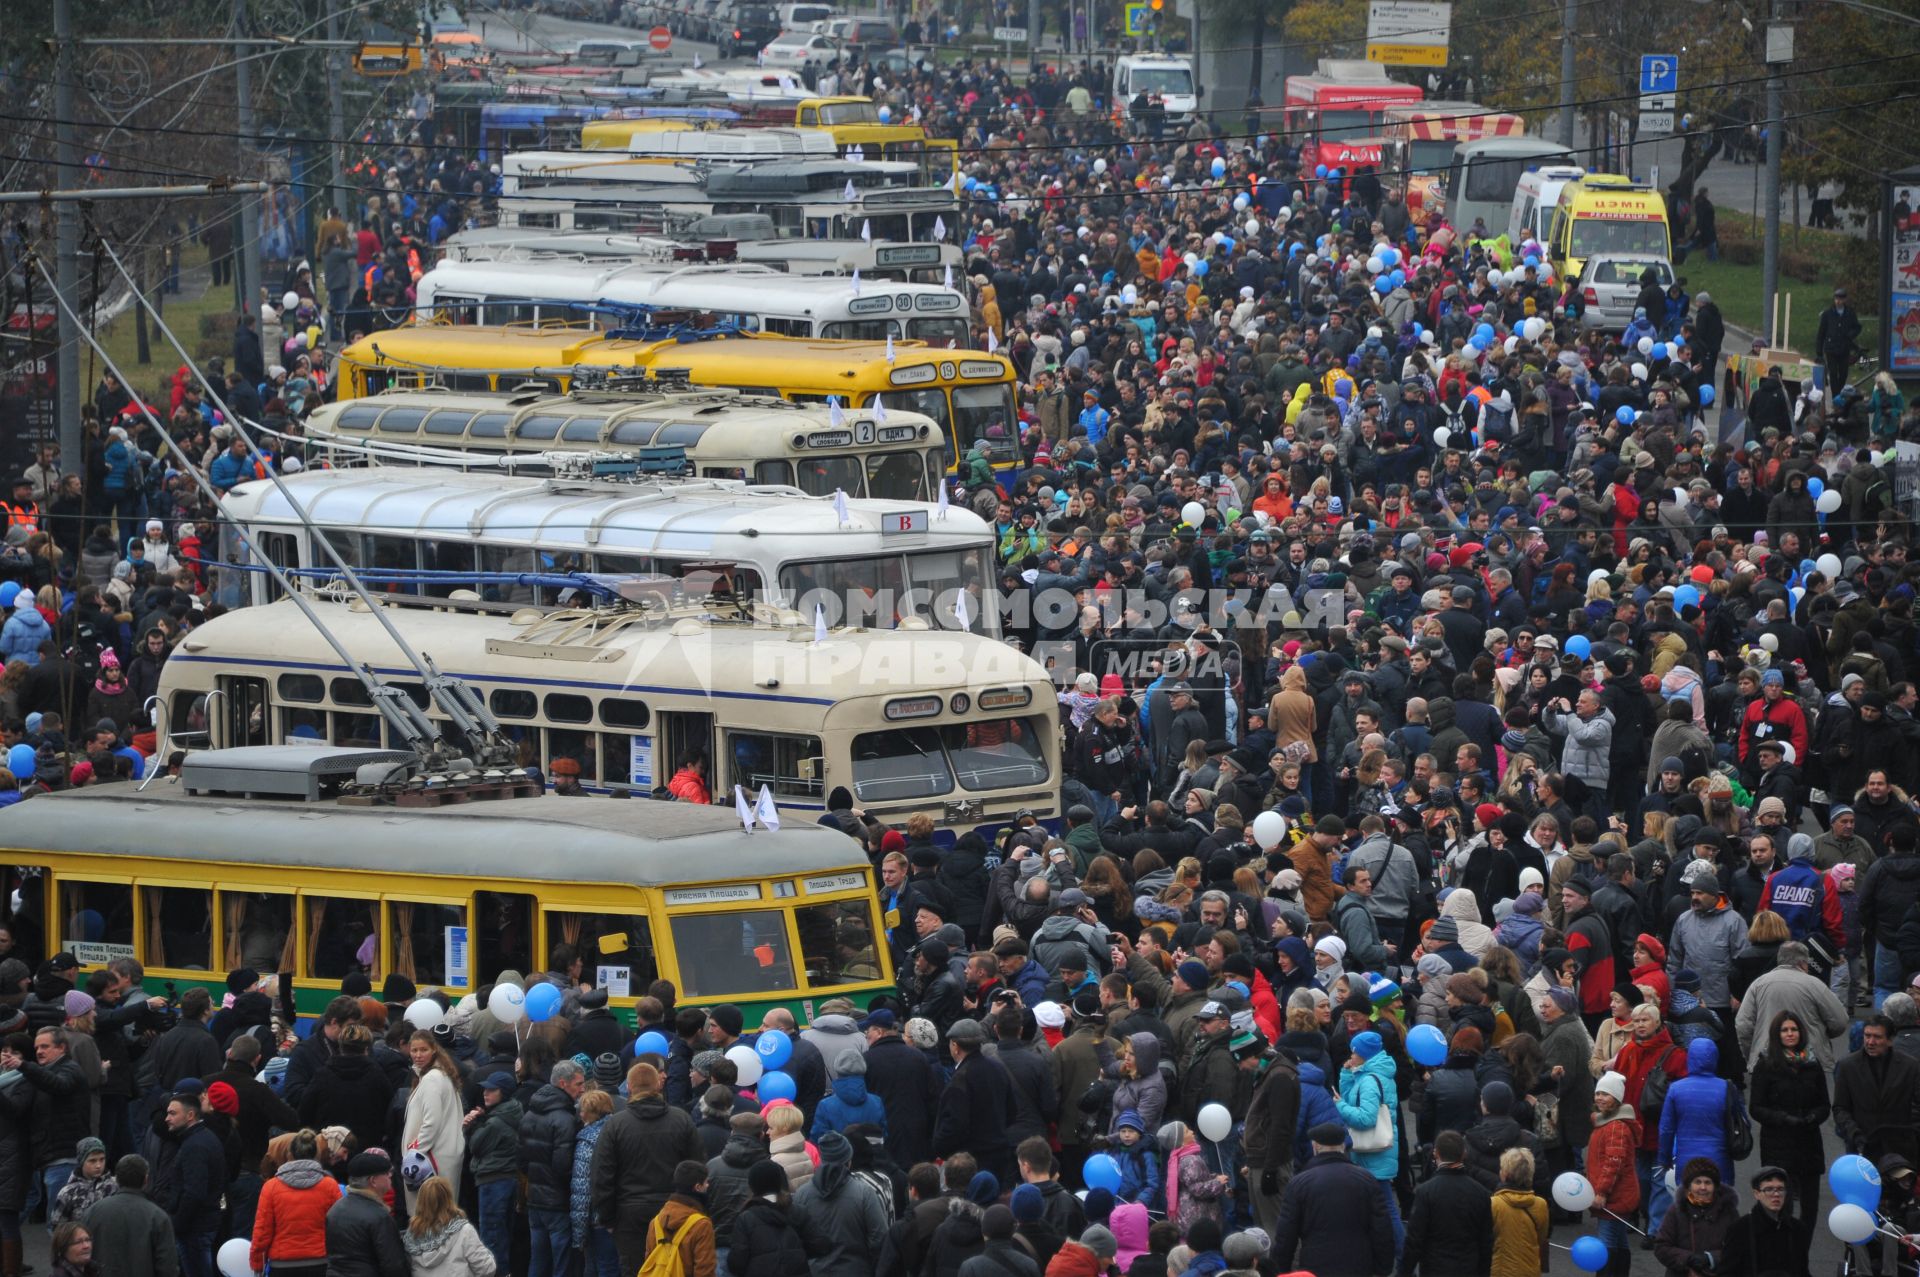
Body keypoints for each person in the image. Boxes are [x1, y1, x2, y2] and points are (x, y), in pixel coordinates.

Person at [591, 1062, 704, 1275]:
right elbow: (697, 1167)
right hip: (676, 1212)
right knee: (676, 1269)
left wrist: (607, 1218)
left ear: (630, 1087)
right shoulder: (682, 1120)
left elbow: (601, 1176)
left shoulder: (615, 1125)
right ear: (658, 1085)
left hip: (629, 1214)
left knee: (635, 1270)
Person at [1271, 1122, 1396, 1275]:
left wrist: (1280, 1270)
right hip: (1359, 1265)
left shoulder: (1299, 1183)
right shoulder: (1366, 1179)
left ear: (1315, 1146)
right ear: (1343, 1146)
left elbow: (1286, 1235)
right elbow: (1382, 1228)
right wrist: (1384, 1268)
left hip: (1315, 1266)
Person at [789, 1131, 888, 1277]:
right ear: (848, 1160)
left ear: (822, 1159)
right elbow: (879, 1237)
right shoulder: (864, 1193)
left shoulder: (802, 1194)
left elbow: (795, 1241)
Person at [1398, 1130, 1493, 1277]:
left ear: (1436, 1154)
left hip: (1434, 1269)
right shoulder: (1481, 1193)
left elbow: (1414, 1240)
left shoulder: (1425, 1192)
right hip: (1469, 1268)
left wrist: (1404, 1272)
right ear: (1464, 1154)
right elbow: (1486, 1243)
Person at [151, 1090, 224, 1277]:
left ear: (190, 1115)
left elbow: (194, 1192)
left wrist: (177, 1224)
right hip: (201, 1224)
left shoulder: (195, 1146)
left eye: (172, 1113)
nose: (167, 1118)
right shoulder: (200, 1138)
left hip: (195, 1228)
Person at [250, 1129, 341, 1277]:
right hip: (320, 1261)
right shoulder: (330, 1186)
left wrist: (257, 1264)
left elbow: (262, 1231)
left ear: (289, 1154)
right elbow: (339, 1227)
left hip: (282, 1263)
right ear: (316, 1154)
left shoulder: (271, 1187)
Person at [1833, 1015, 1920, 1168]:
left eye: (1877, 1037)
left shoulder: (1910, 1067)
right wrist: (1854, 1133)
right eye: (1867, 1036)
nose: (1870, 1042)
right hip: (1863, 1149)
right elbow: (1840, 1108)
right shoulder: (1848, 1066)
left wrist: (1910, 1132)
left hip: (1900, 1150)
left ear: (1890, 1039)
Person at [402, 1031, 466, 1212]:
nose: (418, 1055)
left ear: (434, 1050)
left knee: (428, 1216)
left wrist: (415, 1154)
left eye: (423, 1050)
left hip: (430, 1161)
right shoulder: (440, 1076)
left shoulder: (432, 1079)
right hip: (440, 1156)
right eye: (414, 1050)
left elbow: (431, 1122)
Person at [80, 1156, 173, 1277]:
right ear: (146, 1179)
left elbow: (80, 1255)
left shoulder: (92, 1211)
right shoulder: (158, 1217)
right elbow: (167, 1267)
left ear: (117, 1179)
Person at [1717, 1165, 1812, 1277]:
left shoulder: (1798, 1229)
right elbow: (1726, 1273)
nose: (1776, 1194)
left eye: (1780, 1189)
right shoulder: (1740, 1229)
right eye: (1769, 1189)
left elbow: (1802, 1271)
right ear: (1757, 1194)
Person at [326, 1151, 409, 1277]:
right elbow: (394, 1265)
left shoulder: (335, 1210)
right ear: (373, 1181)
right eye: (387, 1174)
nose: (390, 1177)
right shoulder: (379, 1216)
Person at [1651, 1158, 1739, 1277]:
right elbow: (1661, 1247)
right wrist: (1688, 1259)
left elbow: (1738, 1249)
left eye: (1708, 1182)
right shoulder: (1676, 1210)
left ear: (1715, 1186)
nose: (1703, 1187)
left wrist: (1710, 1258)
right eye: (1697, 1182)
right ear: (1689, 1185)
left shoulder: (1728, 1212)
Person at [401, 1175, 496, 1277]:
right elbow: (486, 1269)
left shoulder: (411, 1237)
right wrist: (487, 1254)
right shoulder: (464, 1231)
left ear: (420, 1201)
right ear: (449, 1199)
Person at [725, 1159, 806, 1277]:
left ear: (752, 1186)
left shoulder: (745, 1218)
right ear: (779, 1182)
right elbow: (820, 1244)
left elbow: (737, 1263)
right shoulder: (797, 1211)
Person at [640, 1161, 716, 1277]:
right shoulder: (702, 1224)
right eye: (706, 1182)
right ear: (698, 1187)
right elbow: (704, 1270)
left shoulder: (656, 1222)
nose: (708, 1185)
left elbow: (650, 1260)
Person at [1486, 1146, 1549, 1277]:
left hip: (1501, 1271)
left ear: (1505, 1174)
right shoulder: (1540, 1204)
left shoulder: (1494, 1204)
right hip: (1530, 1271)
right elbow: (1541, 1237)